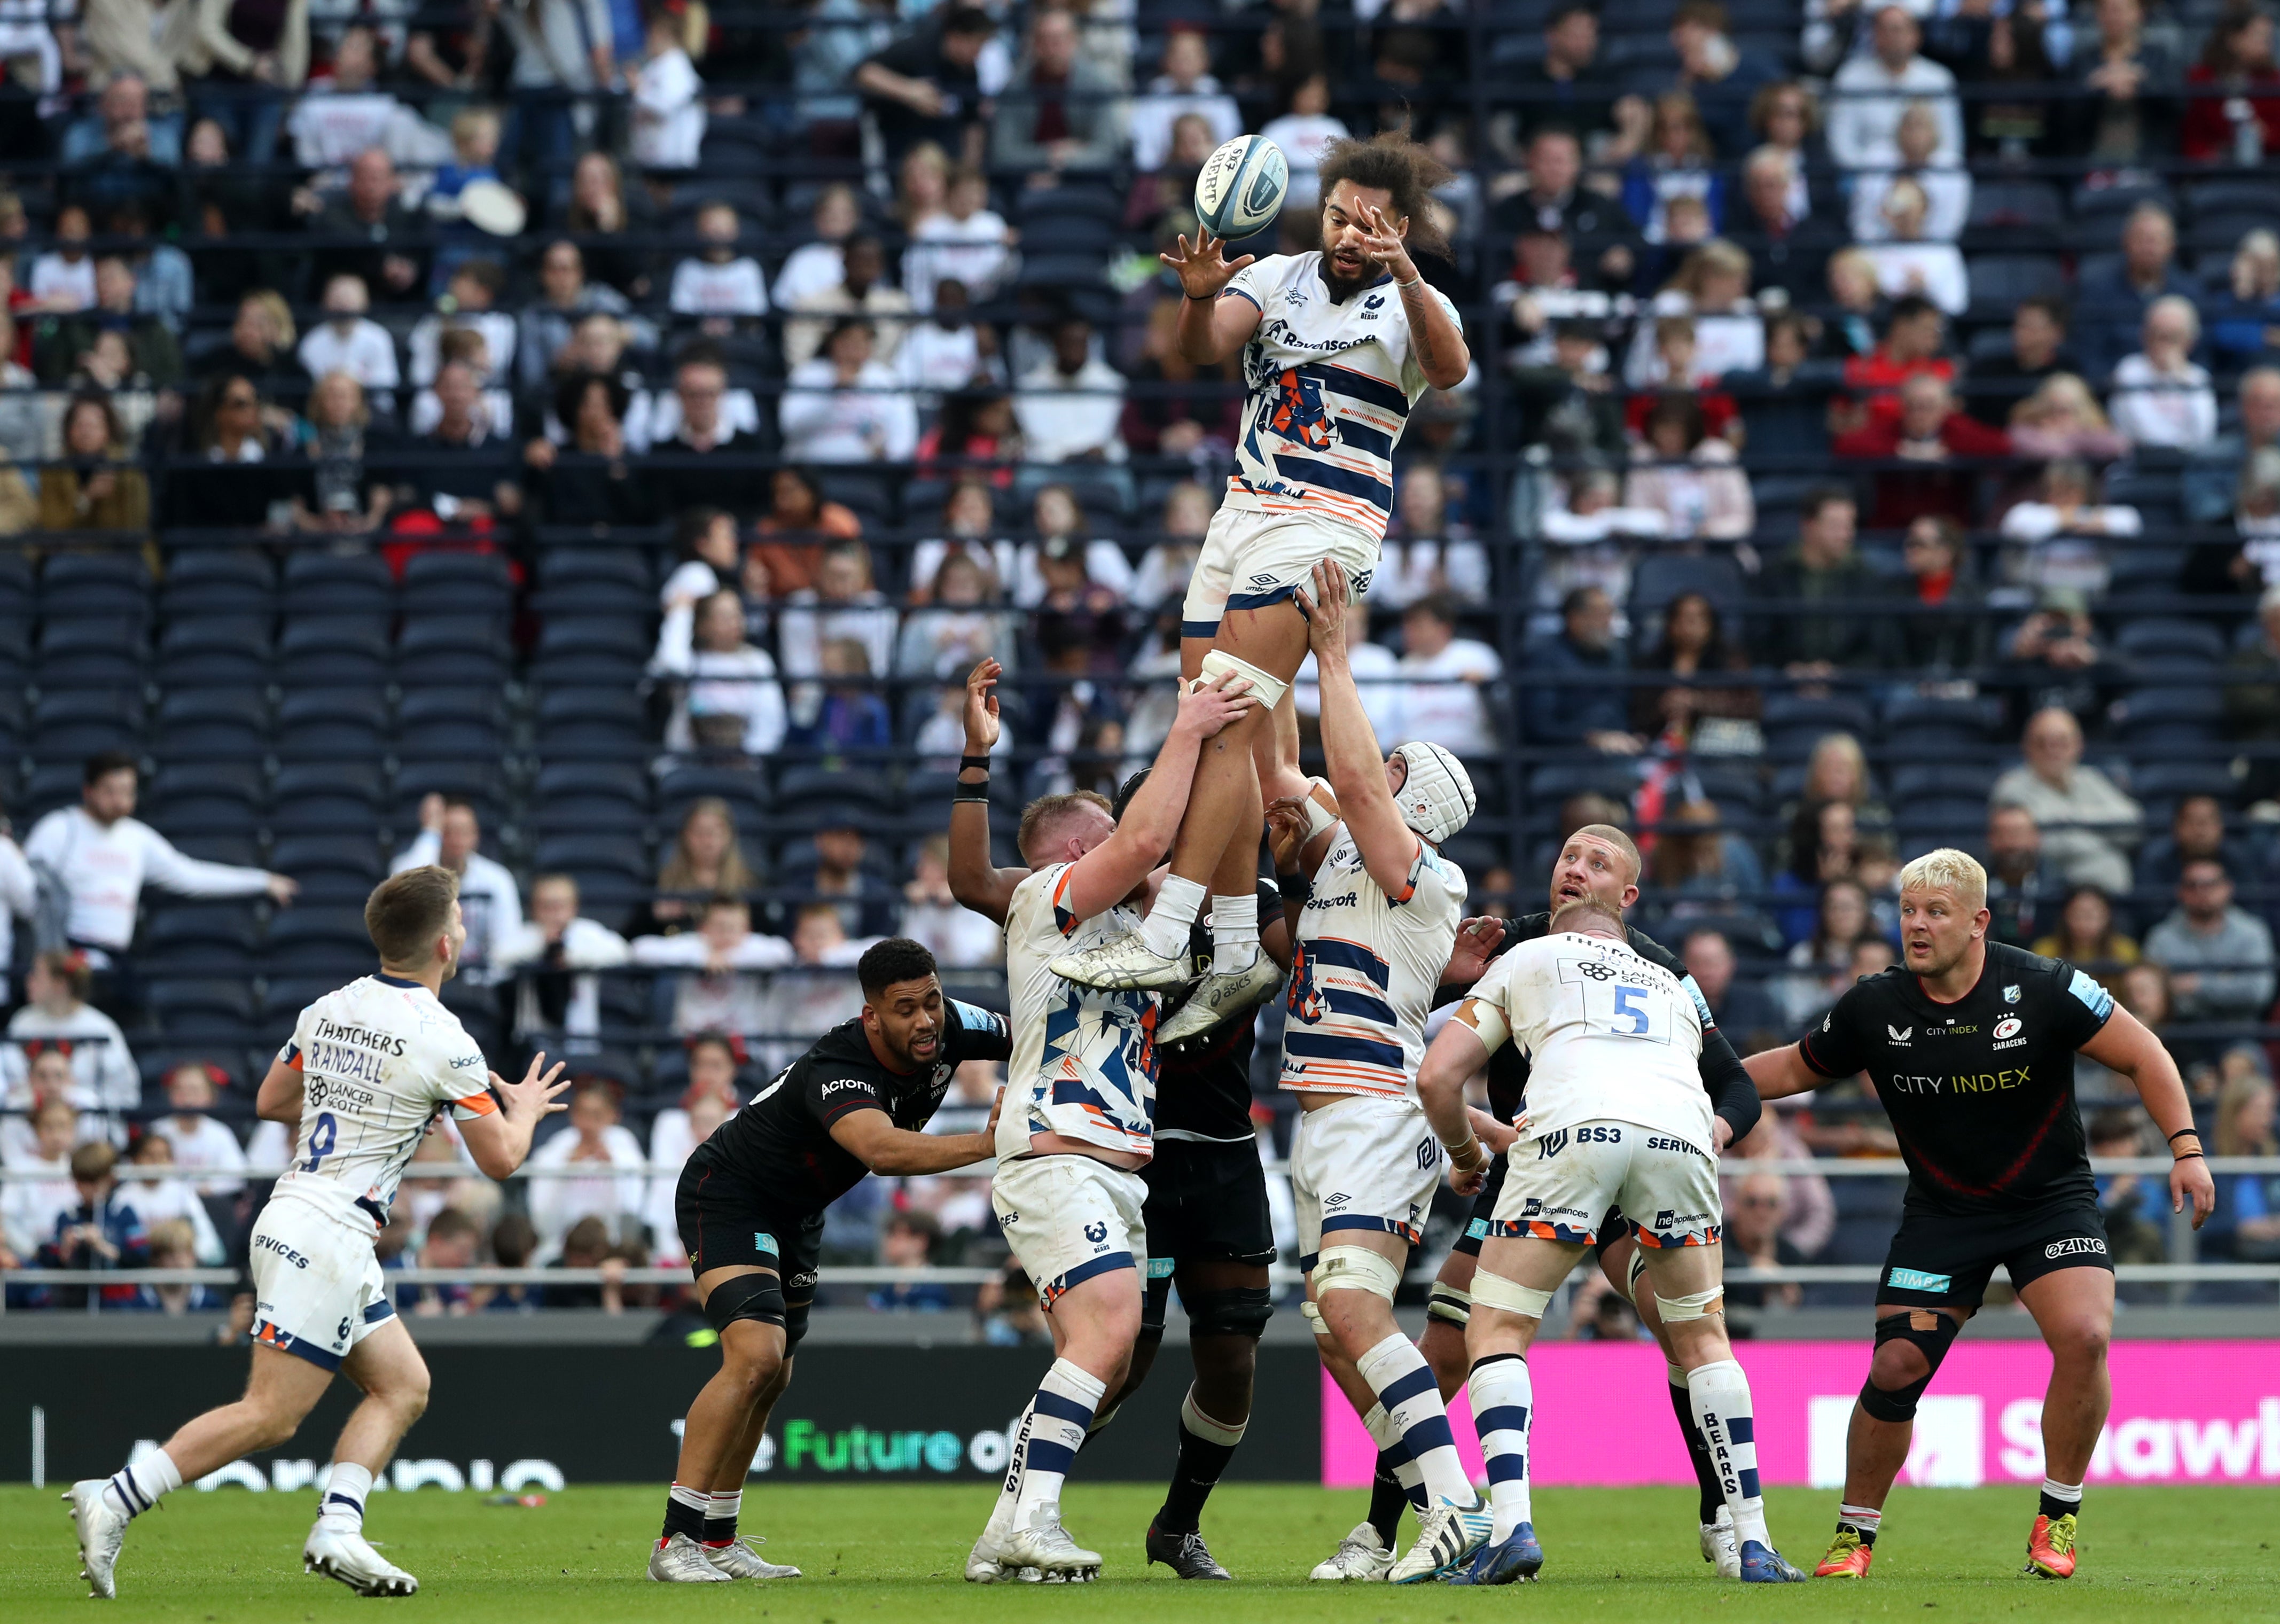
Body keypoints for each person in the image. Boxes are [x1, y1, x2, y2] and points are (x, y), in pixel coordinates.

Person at [1050, 134, 1470, 1020]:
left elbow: (1448, 370)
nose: (1347, 236)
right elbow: (1200, 348)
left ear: (1395, 228)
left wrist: (1407, 276)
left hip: (1325, 525)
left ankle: (1166, 936)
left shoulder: (1412, 304)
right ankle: (1238, 940)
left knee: (1225, 722)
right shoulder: (1278, 275)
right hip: (1239, 517)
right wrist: (1197, 299)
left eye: (1367, 224)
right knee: (1210, 726)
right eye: (1335, 218)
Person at [63, 866, 567, 1600]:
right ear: (444, 944)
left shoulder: (329, 1006)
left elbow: (273, 1102)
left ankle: (338, 1528)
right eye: (457, 916)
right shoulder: (445, 1040)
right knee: (270, 1416)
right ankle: (117, 1495)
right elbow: (501, 1160)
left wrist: (370, 1097)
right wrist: (520, 1110)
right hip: (328, 1232)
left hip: (300, 1210)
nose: (461, 928)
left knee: (402, 1386)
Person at [1745, 848, 2214, 1581]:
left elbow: (2145, 1054)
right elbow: (1797, 1066)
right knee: (1897, 1366)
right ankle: (1853, 1534)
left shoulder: (2045, 985)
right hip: (1945, 1214)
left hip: (2049, 1202)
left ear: (1978, 922)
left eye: (1936, 912)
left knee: (2086, 1335)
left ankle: (2057, 1518)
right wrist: (1701, 1086)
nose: (1918, 926)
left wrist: (2186, 1148)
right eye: (1907, 911)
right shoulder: (1876, 1004)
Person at [946, 661, 1294, 1578]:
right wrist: (1189, 725)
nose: (1134, 851)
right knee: (1107, 1343)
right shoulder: (1045, 901)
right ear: (1071, 859)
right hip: (1058, 1152)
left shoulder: (1137, 942)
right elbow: (1141, 846)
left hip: (1116, 1164)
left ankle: (1008, 1529)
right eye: (1100, 841)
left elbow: (1200, 874)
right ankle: (1030, 1520)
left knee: (1111, 1351)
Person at [1347, 822, 1764, 1581]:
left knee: (1673, 1338)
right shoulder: (1500, 942)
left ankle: (1719, 1518)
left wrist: (1714, 1127)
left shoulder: (1659, 965)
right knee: (1443, 1353)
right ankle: (1379, 1533)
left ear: (1627, 894)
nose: (1575, 869)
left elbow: (1737, 1085)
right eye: (1568, 855)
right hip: (1533, 1156)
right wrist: (1484, 1126)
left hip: (1581, 1163)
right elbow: (1405, 1029)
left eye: (1596, 863)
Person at [1235, 560, 1499, 1586]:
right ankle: (1435, 1504)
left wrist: (1335, 651)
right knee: (1337, 1336)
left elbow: (1340, 781)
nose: (1369, 769)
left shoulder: (1426, 876)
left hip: (1376, 1104)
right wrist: (1274, 666)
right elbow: (1283, 775)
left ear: (1410, 794)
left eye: (1388, 767)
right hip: (1326, 1111)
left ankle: (1452, 1507)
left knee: (1351, 1312)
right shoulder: (1350, 854)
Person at [1417, 892, 1803, 1583]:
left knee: (1498, 1327)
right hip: (1680, 1139)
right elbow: (1730, 1084)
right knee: (1703, 1339)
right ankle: (1754, 1542)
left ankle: (1511, 1529)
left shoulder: (1529, 955)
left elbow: (1437, 1077)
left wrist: (1470, 1158)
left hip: (1572, 1132)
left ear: (1565, 930)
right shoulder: (1671, 984)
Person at [26, 753, 296, 1007]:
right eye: (110, 792)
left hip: (114, 968)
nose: (120, 801)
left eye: (127, 792)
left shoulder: (137, 838)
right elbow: (26, 886)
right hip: (64, 965)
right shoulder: (60, 829)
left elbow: (190, 876)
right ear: (89, 791)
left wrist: (262, 881)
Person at [1989, 708, 2140, 897]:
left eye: (2062, 743)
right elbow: (2051, 845)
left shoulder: (2090, 778)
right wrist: (2106, 838)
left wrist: (2074, 818)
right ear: (2027, 746)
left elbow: (2133, 825)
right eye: (2043, 743)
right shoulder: (2011, 788)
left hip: (2114, 897)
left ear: (2078, 745)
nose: (2053, 751)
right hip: (2053, 894)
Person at [389, 796, 522, 982]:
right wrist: (430, 831)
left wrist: (483, 983)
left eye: (464, 831)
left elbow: (507, 946)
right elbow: (403, 882)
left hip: (482, 986)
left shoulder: (498, 879)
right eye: (448, 831)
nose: (457, 839)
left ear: (476, 835)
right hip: (425, 981)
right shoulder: (415, 864)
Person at [494, 874, 630, 1051]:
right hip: (533, 1038)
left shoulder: (585, 933)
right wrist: (542, 943)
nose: (555, 914)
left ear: (574, 906)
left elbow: (622, 952)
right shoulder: (528, 935)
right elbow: (499, 955)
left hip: (580, 1034)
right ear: (534, 908)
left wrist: (570, 956)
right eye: (547, 907)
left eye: (561, 906)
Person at [2143, 860, 2277, 1024]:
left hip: (2237, 1032)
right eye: (2193, 885)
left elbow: (2258, 992)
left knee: (2240, 1051)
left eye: (2211, 884)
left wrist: (2196, 985)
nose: (2202, 892)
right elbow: (2153, 995)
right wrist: (2225, 983)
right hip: (2178, 1031)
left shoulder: (2253, 932)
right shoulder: (2161, 937)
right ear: (2181, 892)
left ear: (2228, 888)